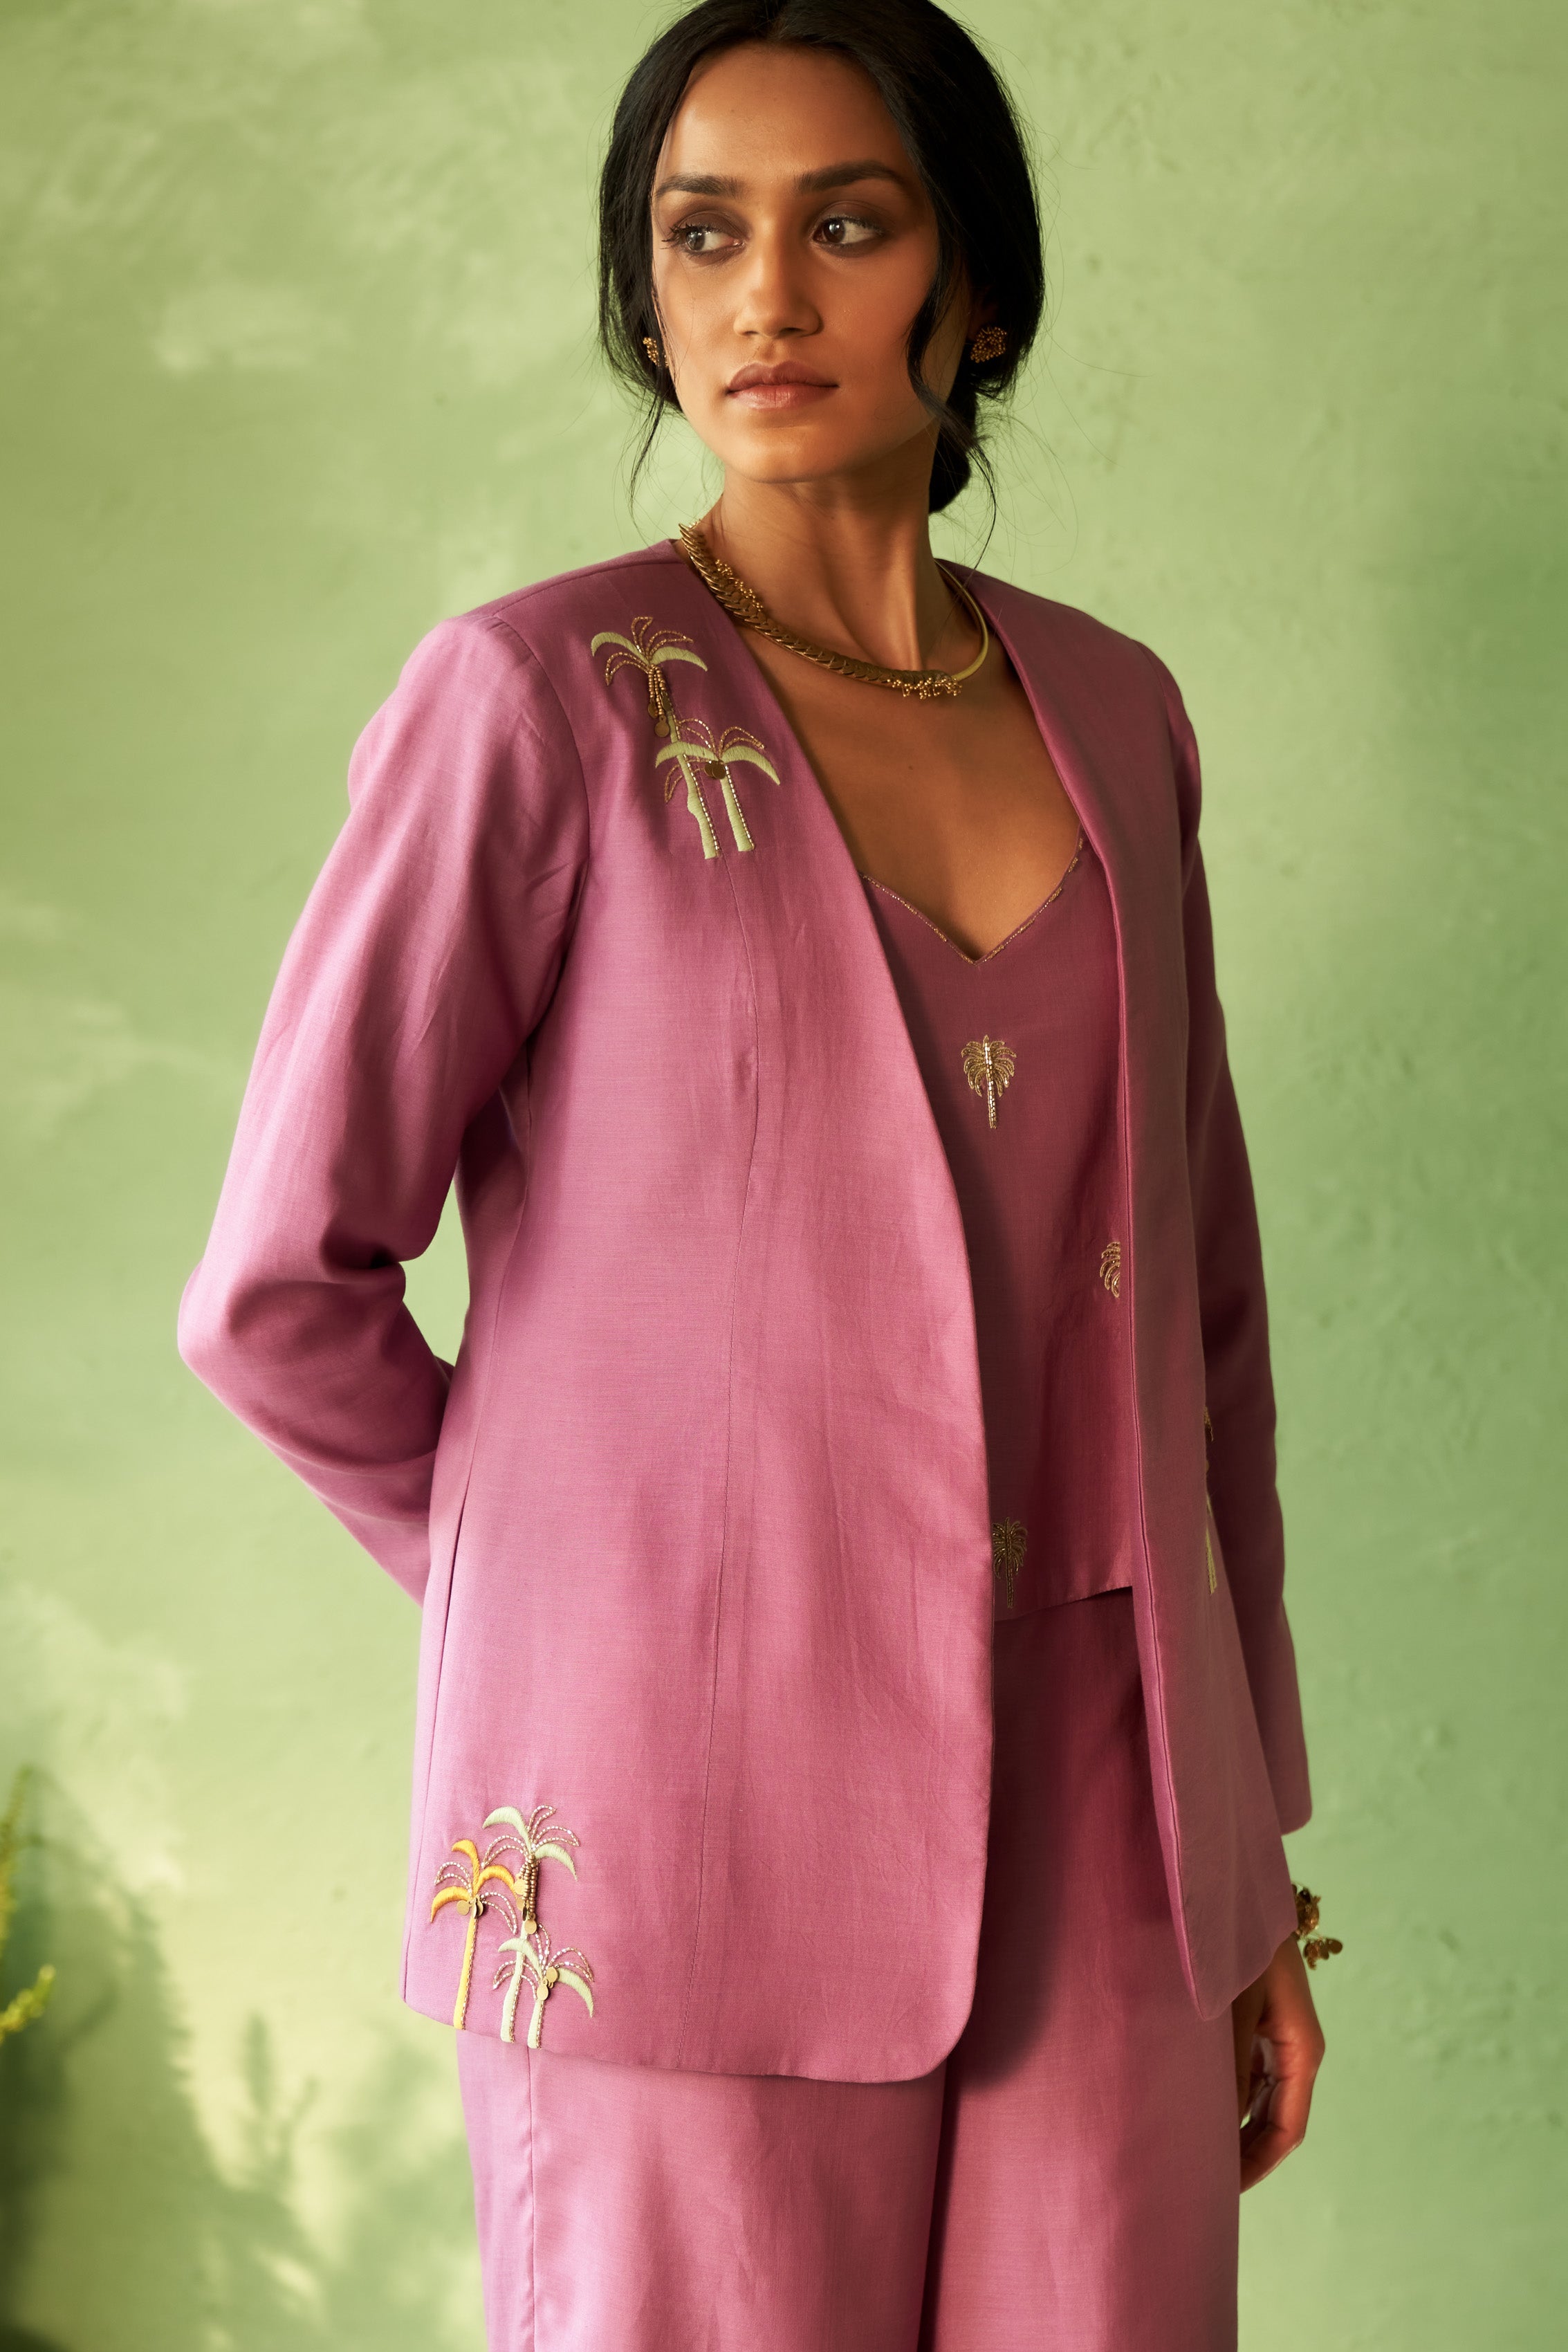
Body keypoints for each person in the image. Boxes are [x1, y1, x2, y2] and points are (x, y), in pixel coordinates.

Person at [178, 2, 1331, 2344]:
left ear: (973, 292)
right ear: (643, 295)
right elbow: (279, 1291)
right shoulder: (540, 700)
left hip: (1112, 1817)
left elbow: (1198, 1316)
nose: (765, 296)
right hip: (685, 1822)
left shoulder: (1116, 712)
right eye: (701, 234)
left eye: (848, 224)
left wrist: (1249, 1869)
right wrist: (592, 1604)